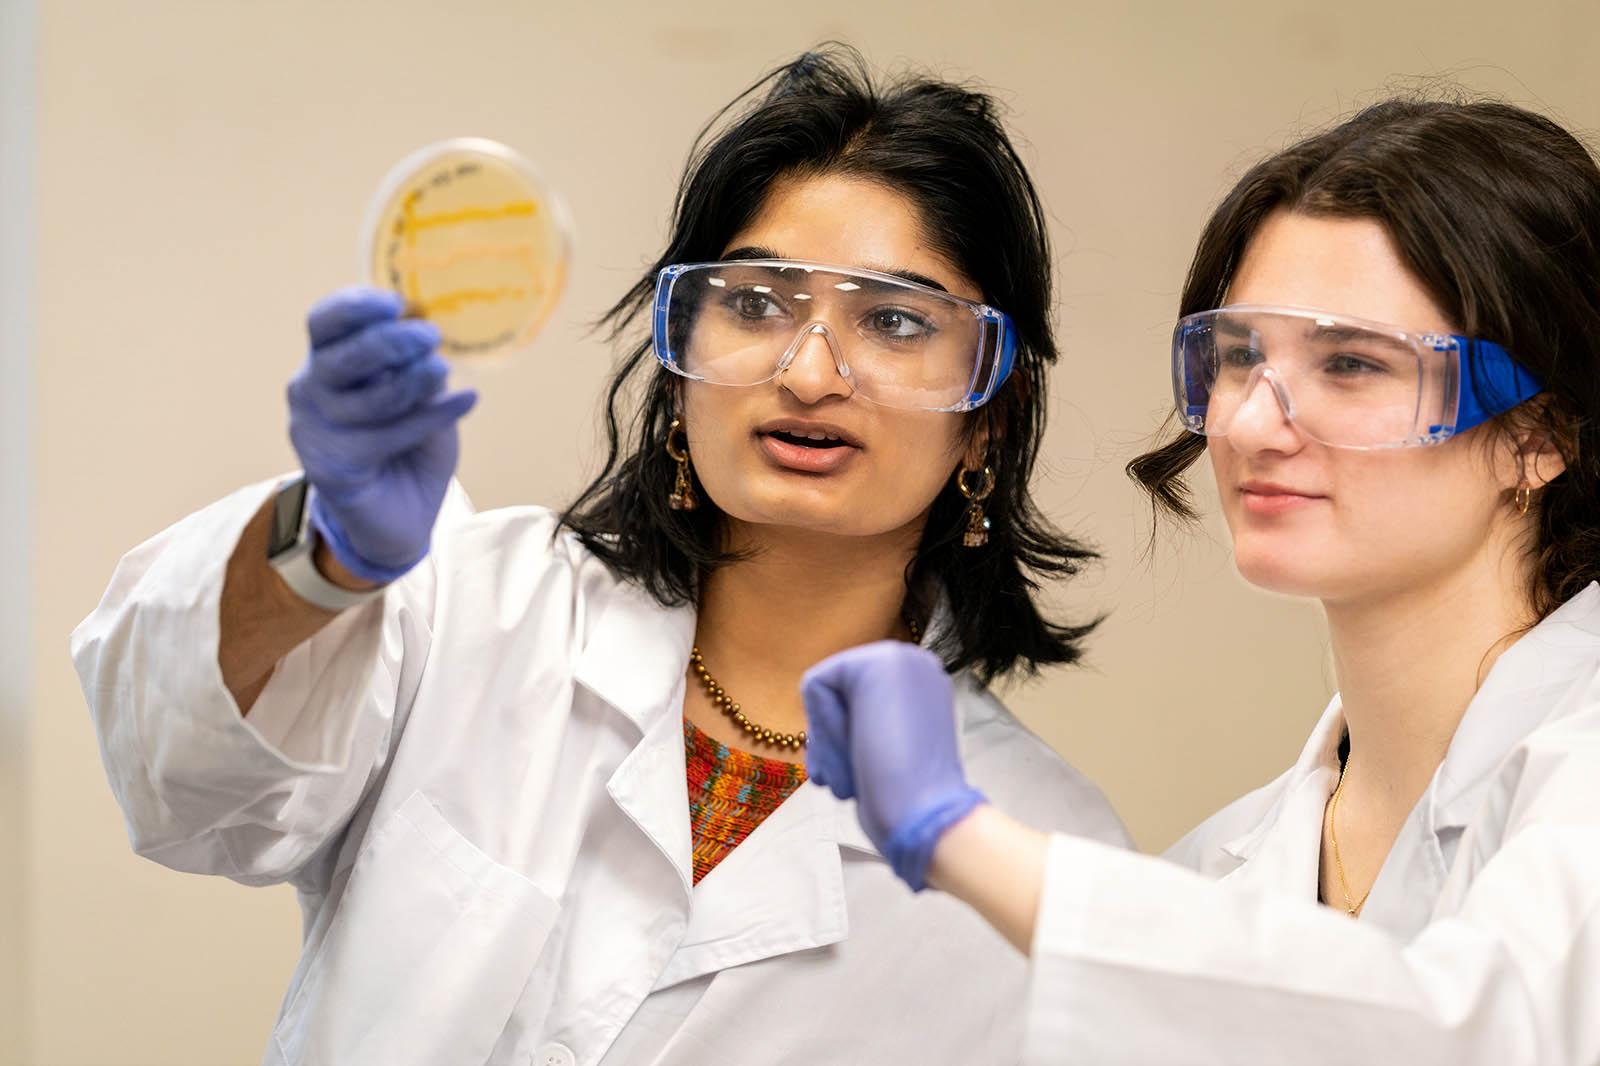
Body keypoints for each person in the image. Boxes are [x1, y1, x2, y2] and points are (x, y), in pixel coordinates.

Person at [71, 46, 1127, 1065]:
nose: (809, 372)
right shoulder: (477, 612)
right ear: (677, 359)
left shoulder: (1044, 848)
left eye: (894, 320)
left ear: (989, 411)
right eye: (754, 303)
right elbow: (185, 790)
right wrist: (324, 562)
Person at [802, 97, 1600, 1064]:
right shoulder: (1220, 870)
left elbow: (1476, 1032)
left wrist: (965, 841)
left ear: (1541, 435)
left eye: (1350, 362)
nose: (1253, 425)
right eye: (1236, 358)